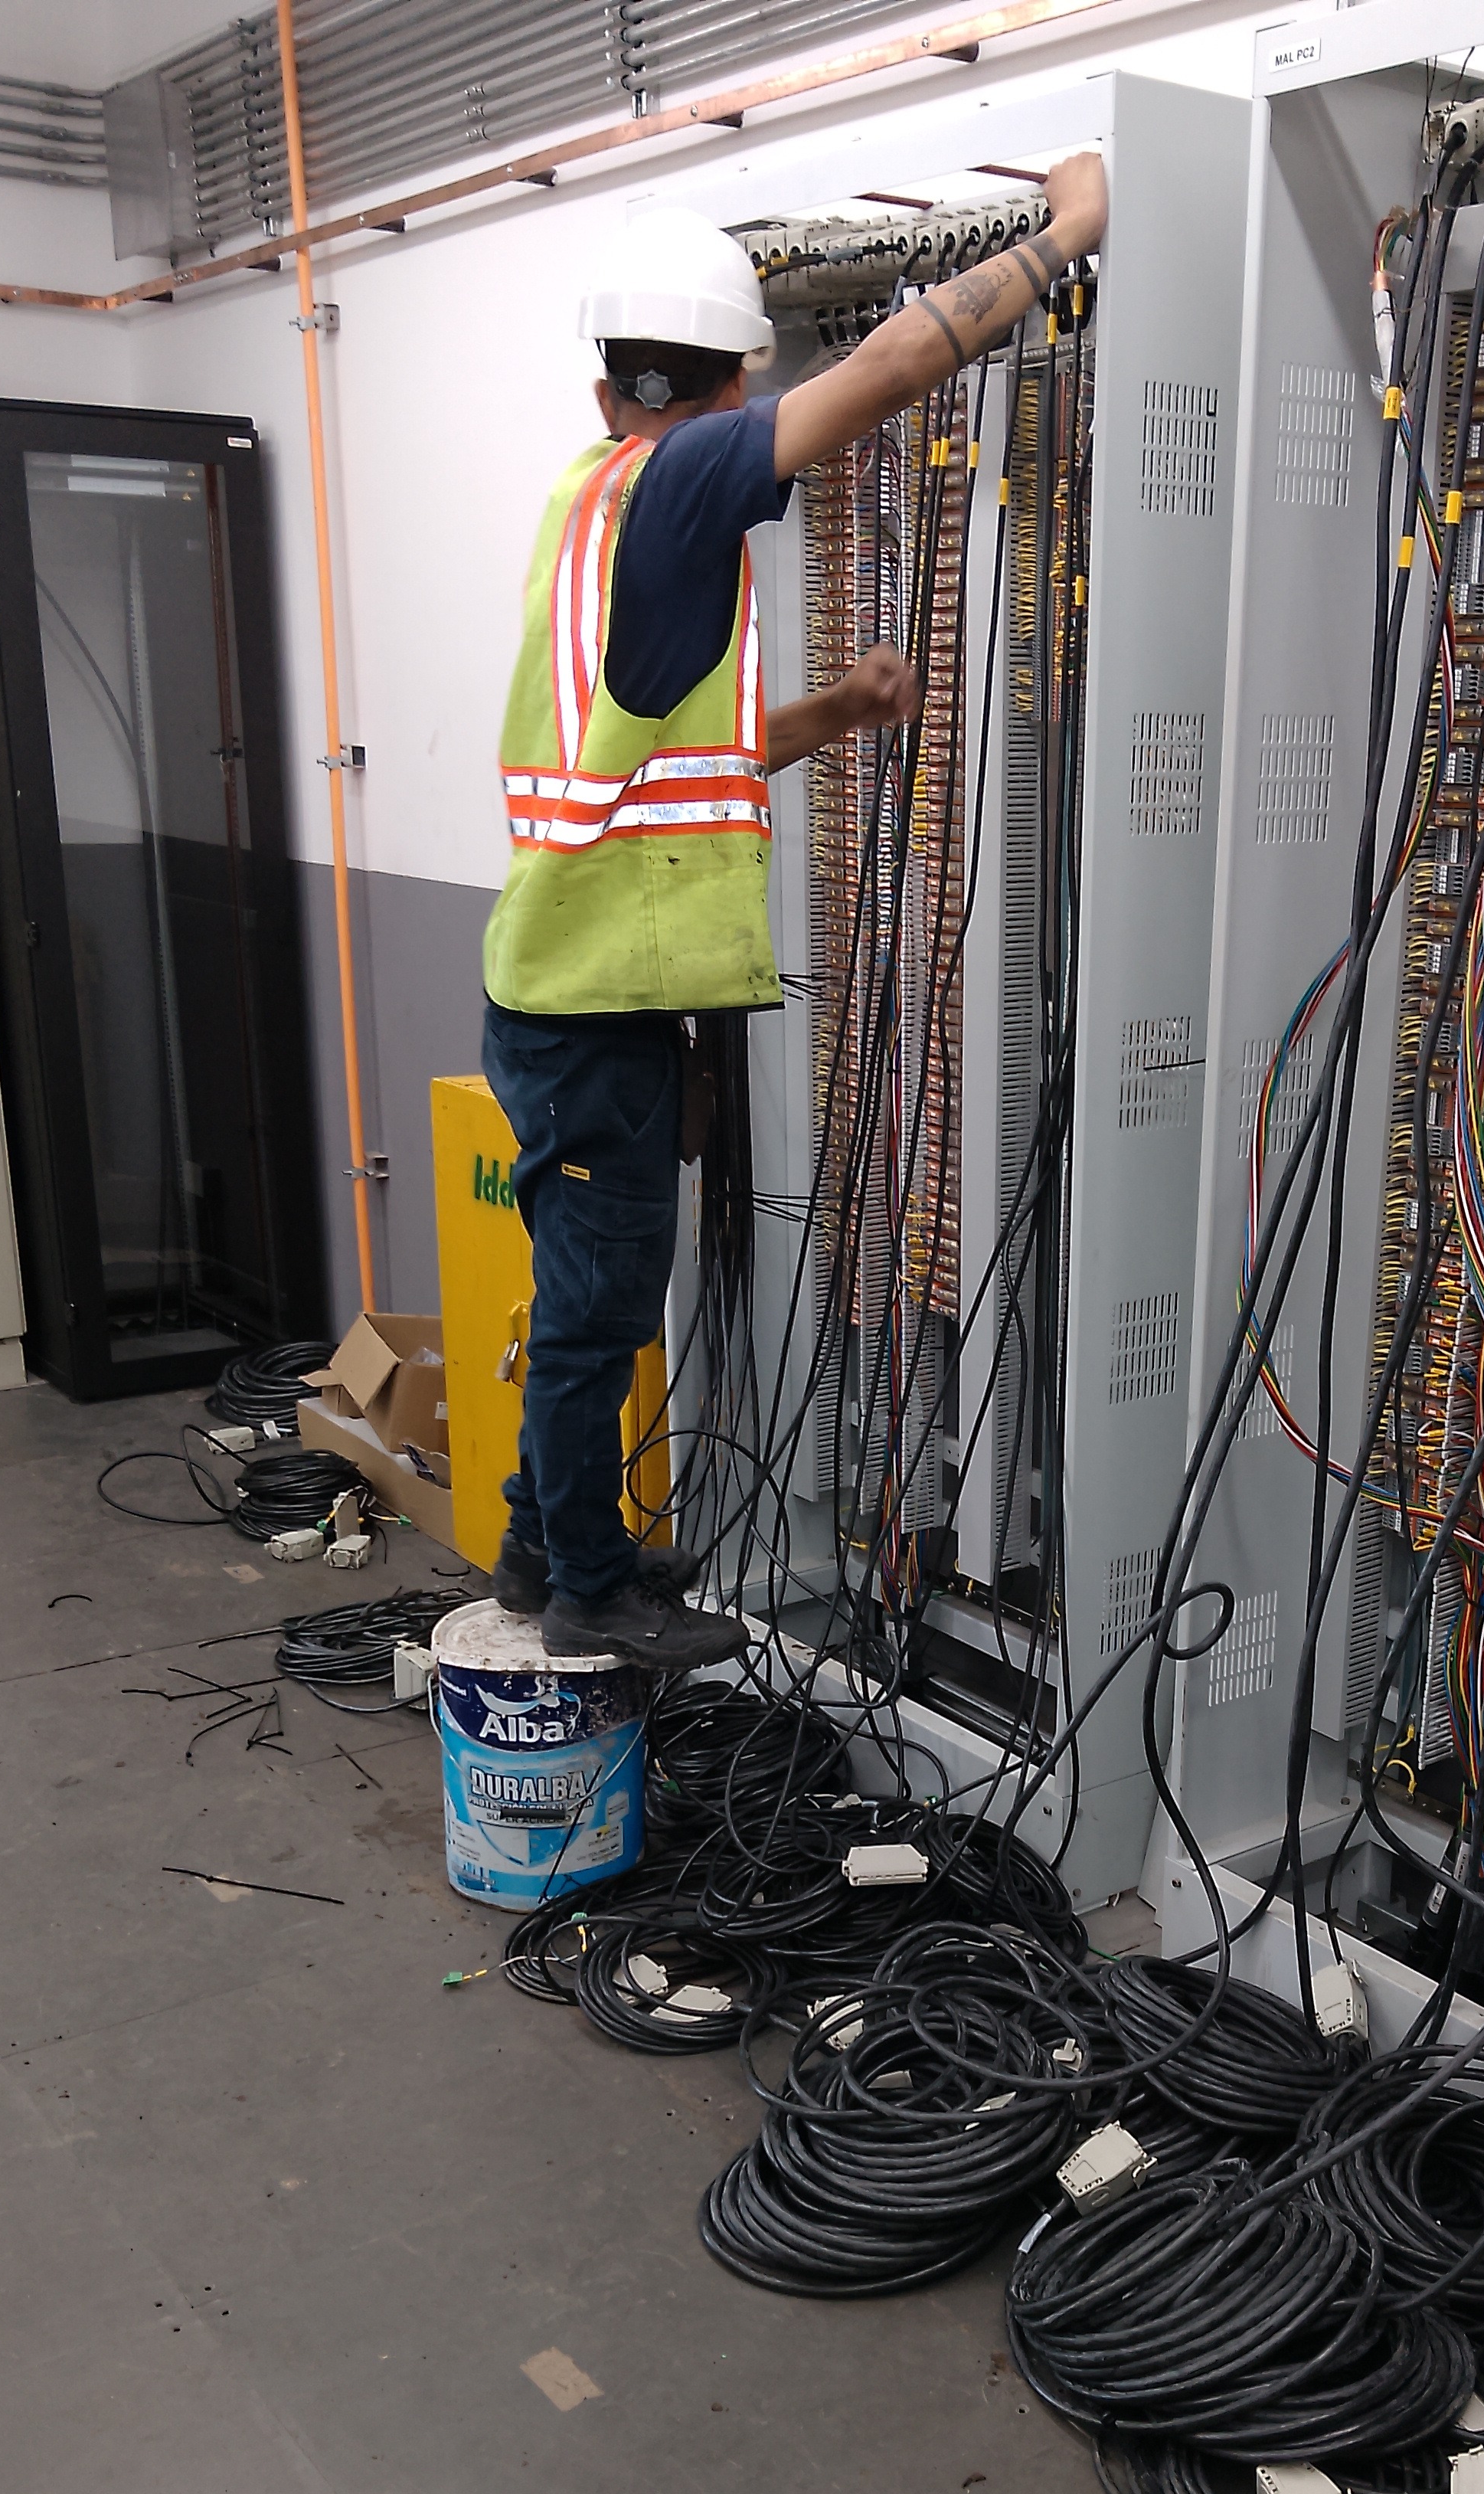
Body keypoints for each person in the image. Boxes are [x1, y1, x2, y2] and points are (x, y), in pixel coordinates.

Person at [480, 152, 1110, 1668]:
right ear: (725, 393)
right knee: (598, 1316)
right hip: (586, 1003)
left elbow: (668, 751)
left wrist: (833, 710)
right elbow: (897, 359)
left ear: (604, 392)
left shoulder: (588, 498)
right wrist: (1067, 234)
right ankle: (586, 1589)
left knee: (595, 1302)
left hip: (591, 994)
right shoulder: (685, 474)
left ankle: (537, 1544)